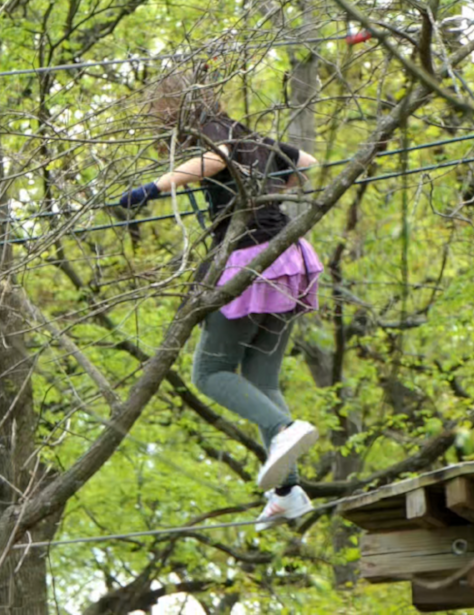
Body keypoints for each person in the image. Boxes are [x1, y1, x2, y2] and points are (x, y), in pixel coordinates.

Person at [120, 72, 323, 531]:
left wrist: (151, 190)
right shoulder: (248, 134)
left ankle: (284, 433)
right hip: (289, 258)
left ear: (176, 112)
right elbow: (304, 161)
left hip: (251, 258)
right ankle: (288, 492)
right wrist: (272, 177)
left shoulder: (215, 133)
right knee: (260, 379)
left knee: (208, 373)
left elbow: (217, 160)